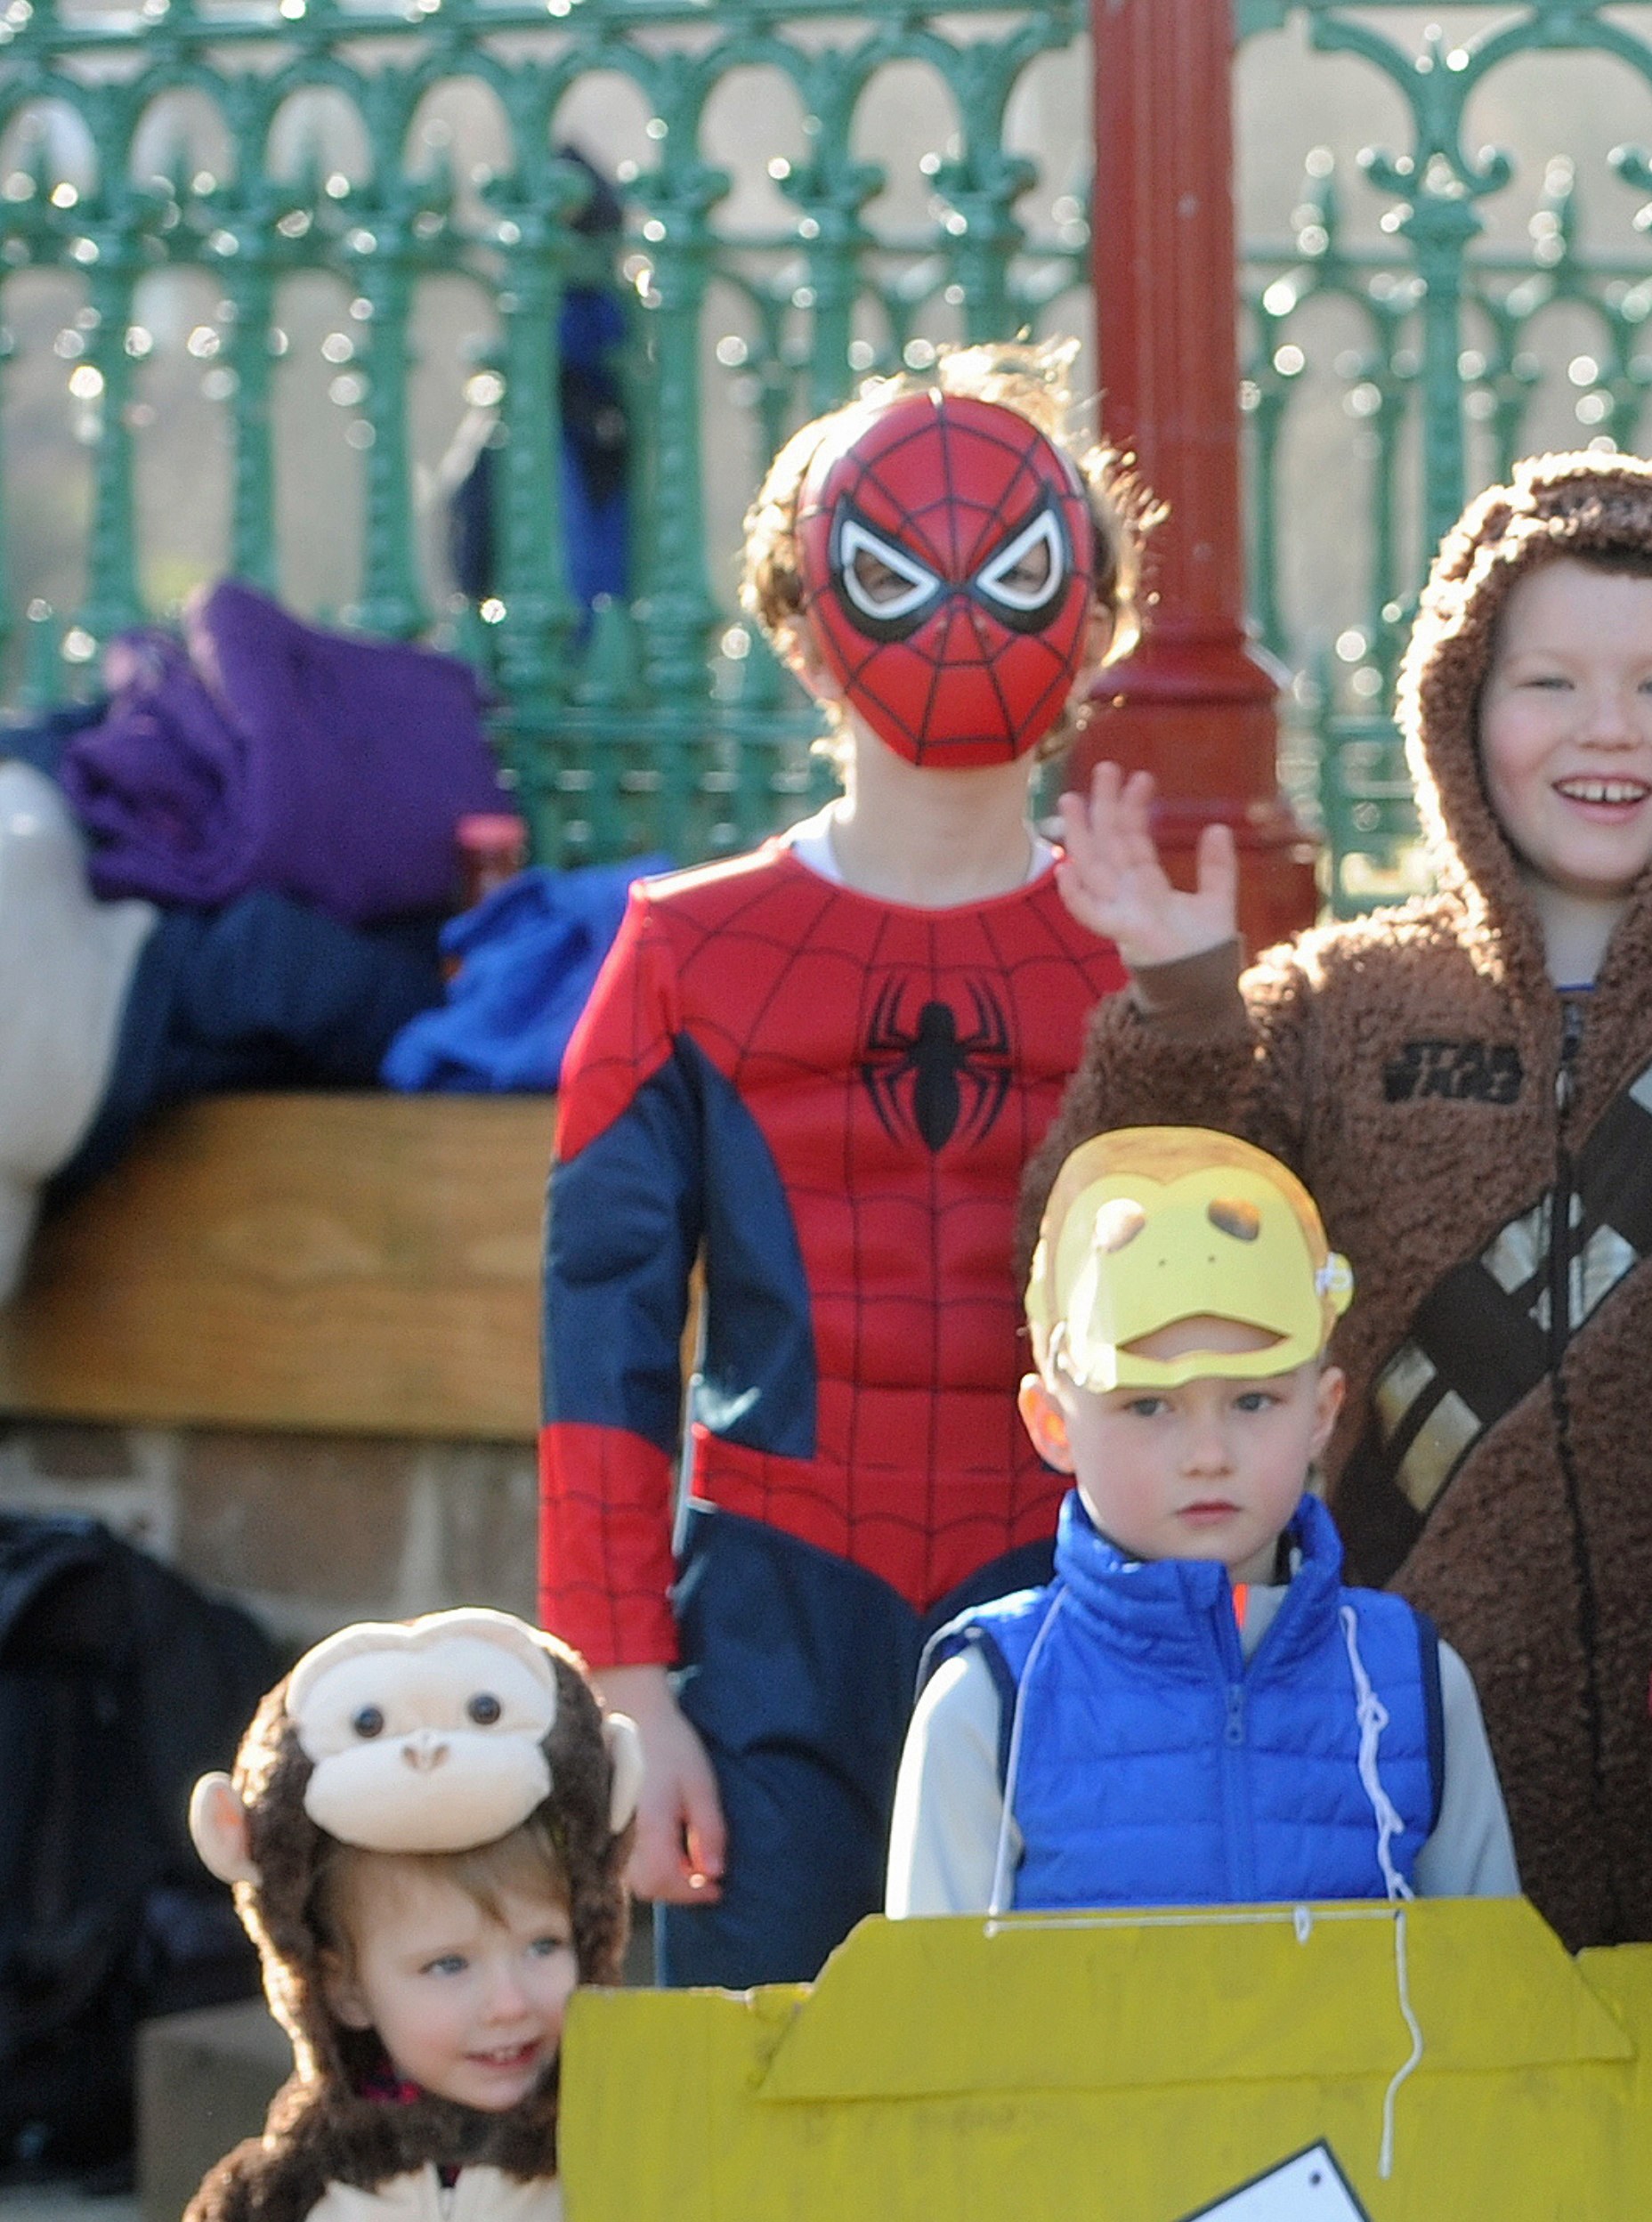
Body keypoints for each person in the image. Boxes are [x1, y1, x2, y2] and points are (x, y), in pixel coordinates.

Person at [1038, 448, 1652, 1948]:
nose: (1609, 731)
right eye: (1549, 682)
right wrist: (1184, 1017)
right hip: (1408, 1764)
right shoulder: (1335, 1006)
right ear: (1457, 707)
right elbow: (1095, 1263)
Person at [539, 345, 1146, 1984]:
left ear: (1091, 614)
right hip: (763, 1633)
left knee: (1064, 2096)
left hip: (1084, 1602)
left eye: (1006, 574)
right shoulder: (681, 956)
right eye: (899, 574)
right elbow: (600, 1339)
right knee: (772, 2087)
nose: (956, 612)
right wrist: (628, 1681)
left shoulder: (1149, 960)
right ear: (803, 621)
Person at [892, 1126, 1516, 1916]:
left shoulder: (1416, 1683)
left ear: (1323, 1411)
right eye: (1149, 1404)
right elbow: (935, 2022)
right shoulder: (985, 1701)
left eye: (1253, 1400)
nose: (1209, 1453)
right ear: (1052, 1423)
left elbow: (1497, 2001)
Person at [177, 1610, 638, 2222]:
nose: (509, 2003)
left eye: (543, 1946)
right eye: (448, 1964)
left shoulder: (629, 2159)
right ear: (343, 1990)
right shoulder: (293, 2198)